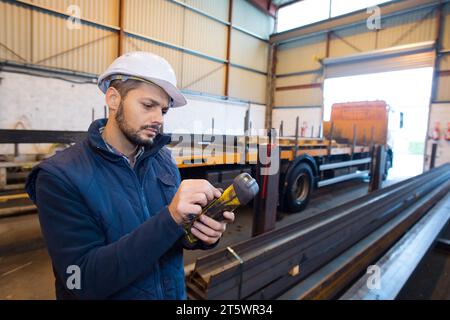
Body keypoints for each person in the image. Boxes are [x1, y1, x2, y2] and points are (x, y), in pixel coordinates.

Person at [25, 52, 234, 300]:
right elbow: (81, 280)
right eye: (148, 105)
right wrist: (170, 218)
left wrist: (201, 235)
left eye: (164, 111)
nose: (158, 119)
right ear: (114, 99)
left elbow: (171, 237)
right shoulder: (60, 176)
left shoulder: (163, 160)